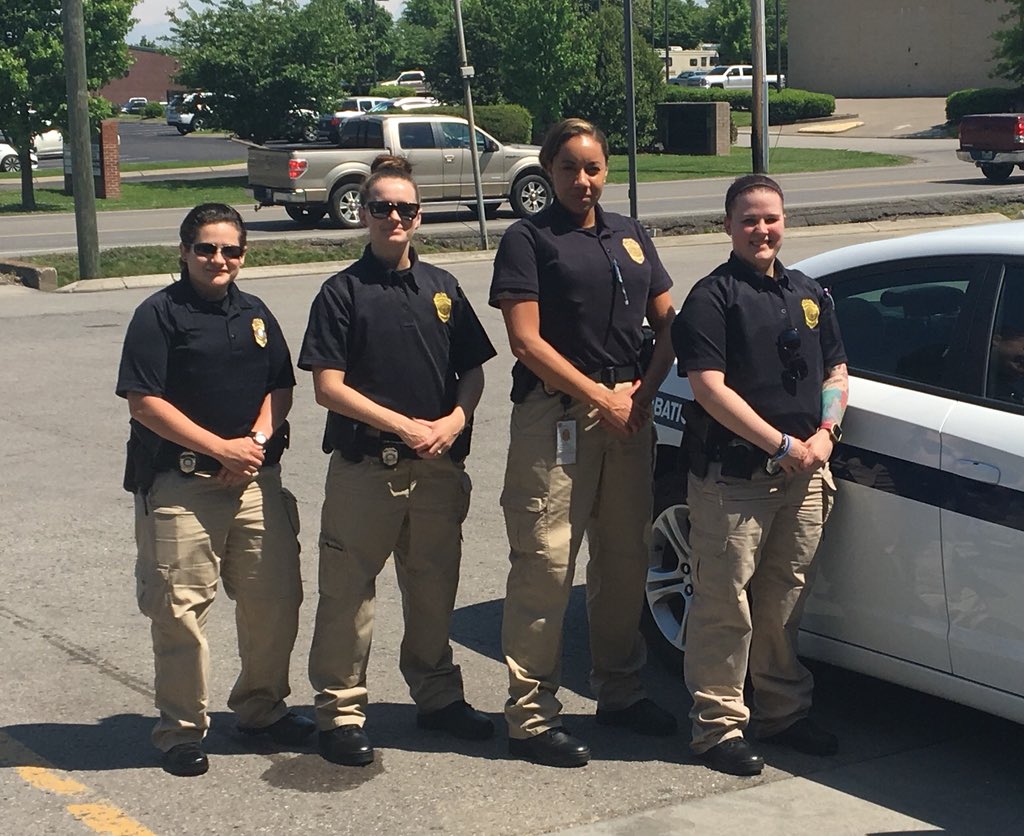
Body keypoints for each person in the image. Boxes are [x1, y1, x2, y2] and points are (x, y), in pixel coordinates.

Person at [488, 118, 678, 768]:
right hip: (559, 417)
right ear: (548, 171)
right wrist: (605, 399)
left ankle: (620, 692)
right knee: (545, 563)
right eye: (568, 167)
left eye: (592, 166)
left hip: (630, 414)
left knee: (624, 559)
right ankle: (532, 717)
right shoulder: (528, 239)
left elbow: (668, 321)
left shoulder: (629, 234)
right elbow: (526, 341)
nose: (582, 179)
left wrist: (643, 395)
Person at [299, 155, 498, 767]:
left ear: (419, 216)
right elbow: (327, 387)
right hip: (368, 469)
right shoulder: (341, 292)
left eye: (405, 209)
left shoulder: (443, 287)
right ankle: (340, 712)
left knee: (434, 586)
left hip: (438, 468)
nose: (394, 217)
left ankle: (437, 698)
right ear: (364, 212)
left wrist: (455, 420)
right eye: (382, 206)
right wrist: (404, 426)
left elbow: (472, 370)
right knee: (349, 592)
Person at [116, 203, 313, 778]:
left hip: (253, 477)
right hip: (183, 484)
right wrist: (216, 449)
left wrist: (250, 444)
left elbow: (281, 384)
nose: (218, 259)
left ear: (243, 254)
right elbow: (143, 402)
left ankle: (261, 709)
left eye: (230, 249)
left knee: (274, 600)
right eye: (206, 248)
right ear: (184, 251)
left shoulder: (254, 312)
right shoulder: (158, 314)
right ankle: (180, 731)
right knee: (179, 609)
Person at [671, 174, 849, 777]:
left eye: (770, 218)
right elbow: (708, 388)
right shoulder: (711, 297)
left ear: (785, 221)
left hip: (805, 475)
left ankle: (782, 713)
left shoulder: (808, 292)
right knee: (726, 606)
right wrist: (781, 444)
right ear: (727, 226)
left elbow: (837, 371)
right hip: (735, 480)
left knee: (782, 602)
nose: (761, 229)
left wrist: (824, 436)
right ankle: (717, 728)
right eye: (748, 219)